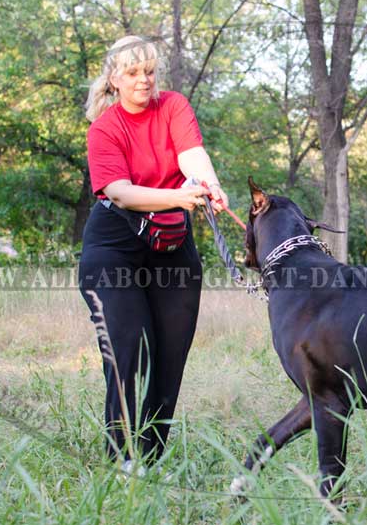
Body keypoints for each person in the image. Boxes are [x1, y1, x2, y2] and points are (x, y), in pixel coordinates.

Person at [78, 35, 228, 473]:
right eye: (132, 72)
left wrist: (209, 184)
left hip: (172, 242)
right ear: (114, 78)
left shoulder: (173, 106)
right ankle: (120, 455)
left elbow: (192, 155)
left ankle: (150, 455)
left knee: (169, 353)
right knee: (130, 346)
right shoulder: (104, 129)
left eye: (149, 71)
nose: (143, 80)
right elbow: (121, 193)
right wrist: (176, 199)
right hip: (114, 246)